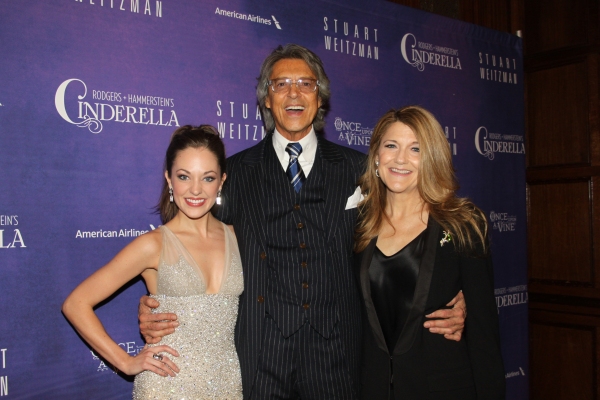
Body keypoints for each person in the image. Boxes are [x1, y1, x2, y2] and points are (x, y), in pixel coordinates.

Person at [139, 45, 467, 399]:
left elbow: (408, 228)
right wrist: (163, 297)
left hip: (338, 358)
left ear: (320, 97)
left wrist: (451, 294)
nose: (294, 93)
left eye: (306, 84)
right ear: (267, 99)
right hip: (259, 358)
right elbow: (191, 244)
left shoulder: (361, 170)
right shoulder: (232, 174)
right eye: (281, 84)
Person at [63, 125, 244, 399]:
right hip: (166, 386)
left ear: (221, 181)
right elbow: (76, 304)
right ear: (169, 180)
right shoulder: (153, 244)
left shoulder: (238, 237)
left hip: (228, 386)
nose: (195, 190)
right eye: (184, 176)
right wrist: (125, 362)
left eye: (207, 178)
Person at [354, 106, 505, 399]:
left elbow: (484, 332)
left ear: (432, 158)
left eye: (415, 149)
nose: (400, 159)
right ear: (376, 156)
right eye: (391, 146)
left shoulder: (463, 223)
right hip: (370, 388)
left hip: (442, 389)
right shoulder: (357, 226)